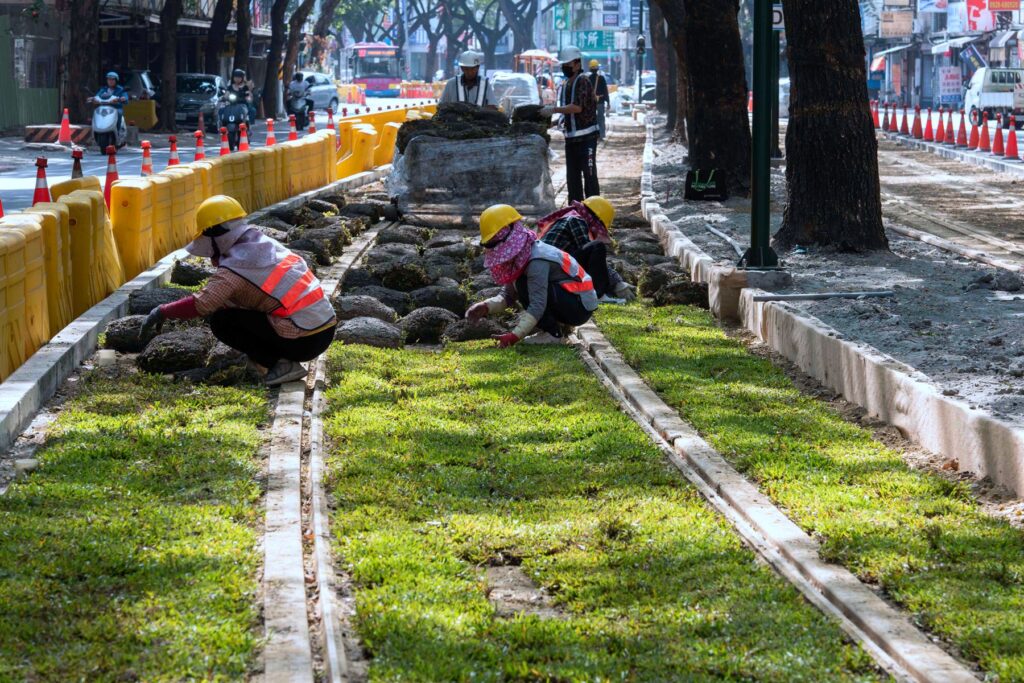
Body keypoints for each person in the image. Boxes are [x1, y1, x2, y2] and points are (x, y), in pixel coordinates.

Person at [139, 195, 338, 386]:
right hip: (324, 327)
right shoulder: (263, 245)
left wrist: (162, 311)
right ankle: (275, 360)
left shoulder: (236, 267)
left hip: (305, 339)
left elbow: (203, 303)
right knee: (232, 310)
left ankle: (281, 365)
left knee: (223, 321)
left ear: (214, 237)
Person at [466, 204, 599, 347]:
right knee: (521, 284)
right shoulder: (521, 257)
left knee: (523, 285)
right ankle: (555, 328)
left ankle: (553, 334)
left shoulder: (536, 260)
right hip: (571, 300)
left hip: (580, 307)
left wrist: (514, 336)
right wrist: (486, 306)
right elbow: (508, 295)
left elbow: (537, 304)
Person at [536, 195, 636, 302]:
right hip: (552, 268)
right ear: (597, 219)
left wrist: (614, 281)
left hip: (548, 267)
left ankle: (602, 290)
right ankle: (599, 295)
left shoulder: (571, 217)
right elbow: (591, 255)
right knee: (597, 246)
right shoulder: (576, 221)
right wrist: (617, 282)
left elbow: (591, 263)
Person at [542, 46, 600, 203]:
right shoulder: (567, 83)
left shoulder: (583, 81)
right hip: (571, 139)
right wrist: (553, 121)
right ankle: (575, 211)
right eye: (563, 65)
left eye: (567, 64)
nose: (565, 67)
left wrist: (553, 109)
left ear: (577, 63)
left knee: (589, 175)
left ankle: (593, 209)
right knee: (572, 178)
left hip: (587, 138)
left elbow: (577, 107)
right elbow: (567, 112)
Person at [587, 59, 610, 140]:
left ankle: (591, 135)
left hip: (590, 102)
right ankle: (601, 134)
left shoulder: (588, 79)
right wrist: (608, 102)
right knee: (601, 118)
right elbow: (605, 91)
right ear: (597, 69)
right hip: (600, 101)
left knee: (590, 118)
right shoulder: (601, 78)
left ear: (590, 68)